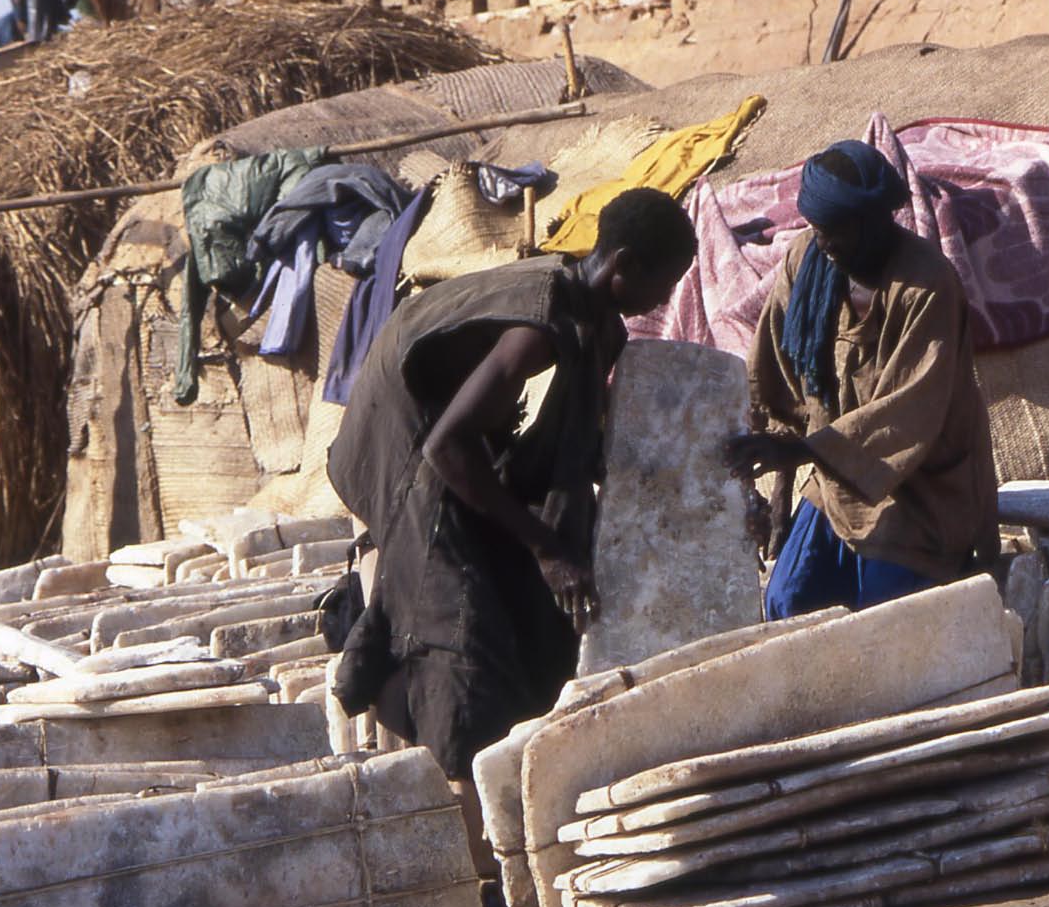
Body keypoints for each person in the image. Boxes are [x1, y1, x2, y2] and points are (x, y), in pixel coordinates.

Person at [326, 187, 697, 858]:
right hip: (404, 433)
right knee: (457, 626)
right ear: (623, 265)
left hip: (462, 431)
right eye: (663, 284)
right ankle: (465, 861)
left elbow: (580, 444)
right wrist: (544, 545)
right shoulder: (542, 323)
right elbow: (444, 447)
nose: (664, 302)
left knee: (526, 607)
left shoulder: (598, 325)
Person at [725, 139, 998, 620]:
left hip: (922, 491)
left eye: (838, 232)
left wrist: (807, 450)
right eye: (820, 229)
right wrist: (780, 498)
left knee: (884, 621)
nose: (826, 243)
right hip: (833, 480)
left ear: (878, 221)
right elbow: (778, 378)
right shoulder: (808, 260)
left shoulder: (927, 285)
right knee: (787, 604)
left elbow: (909, 412)